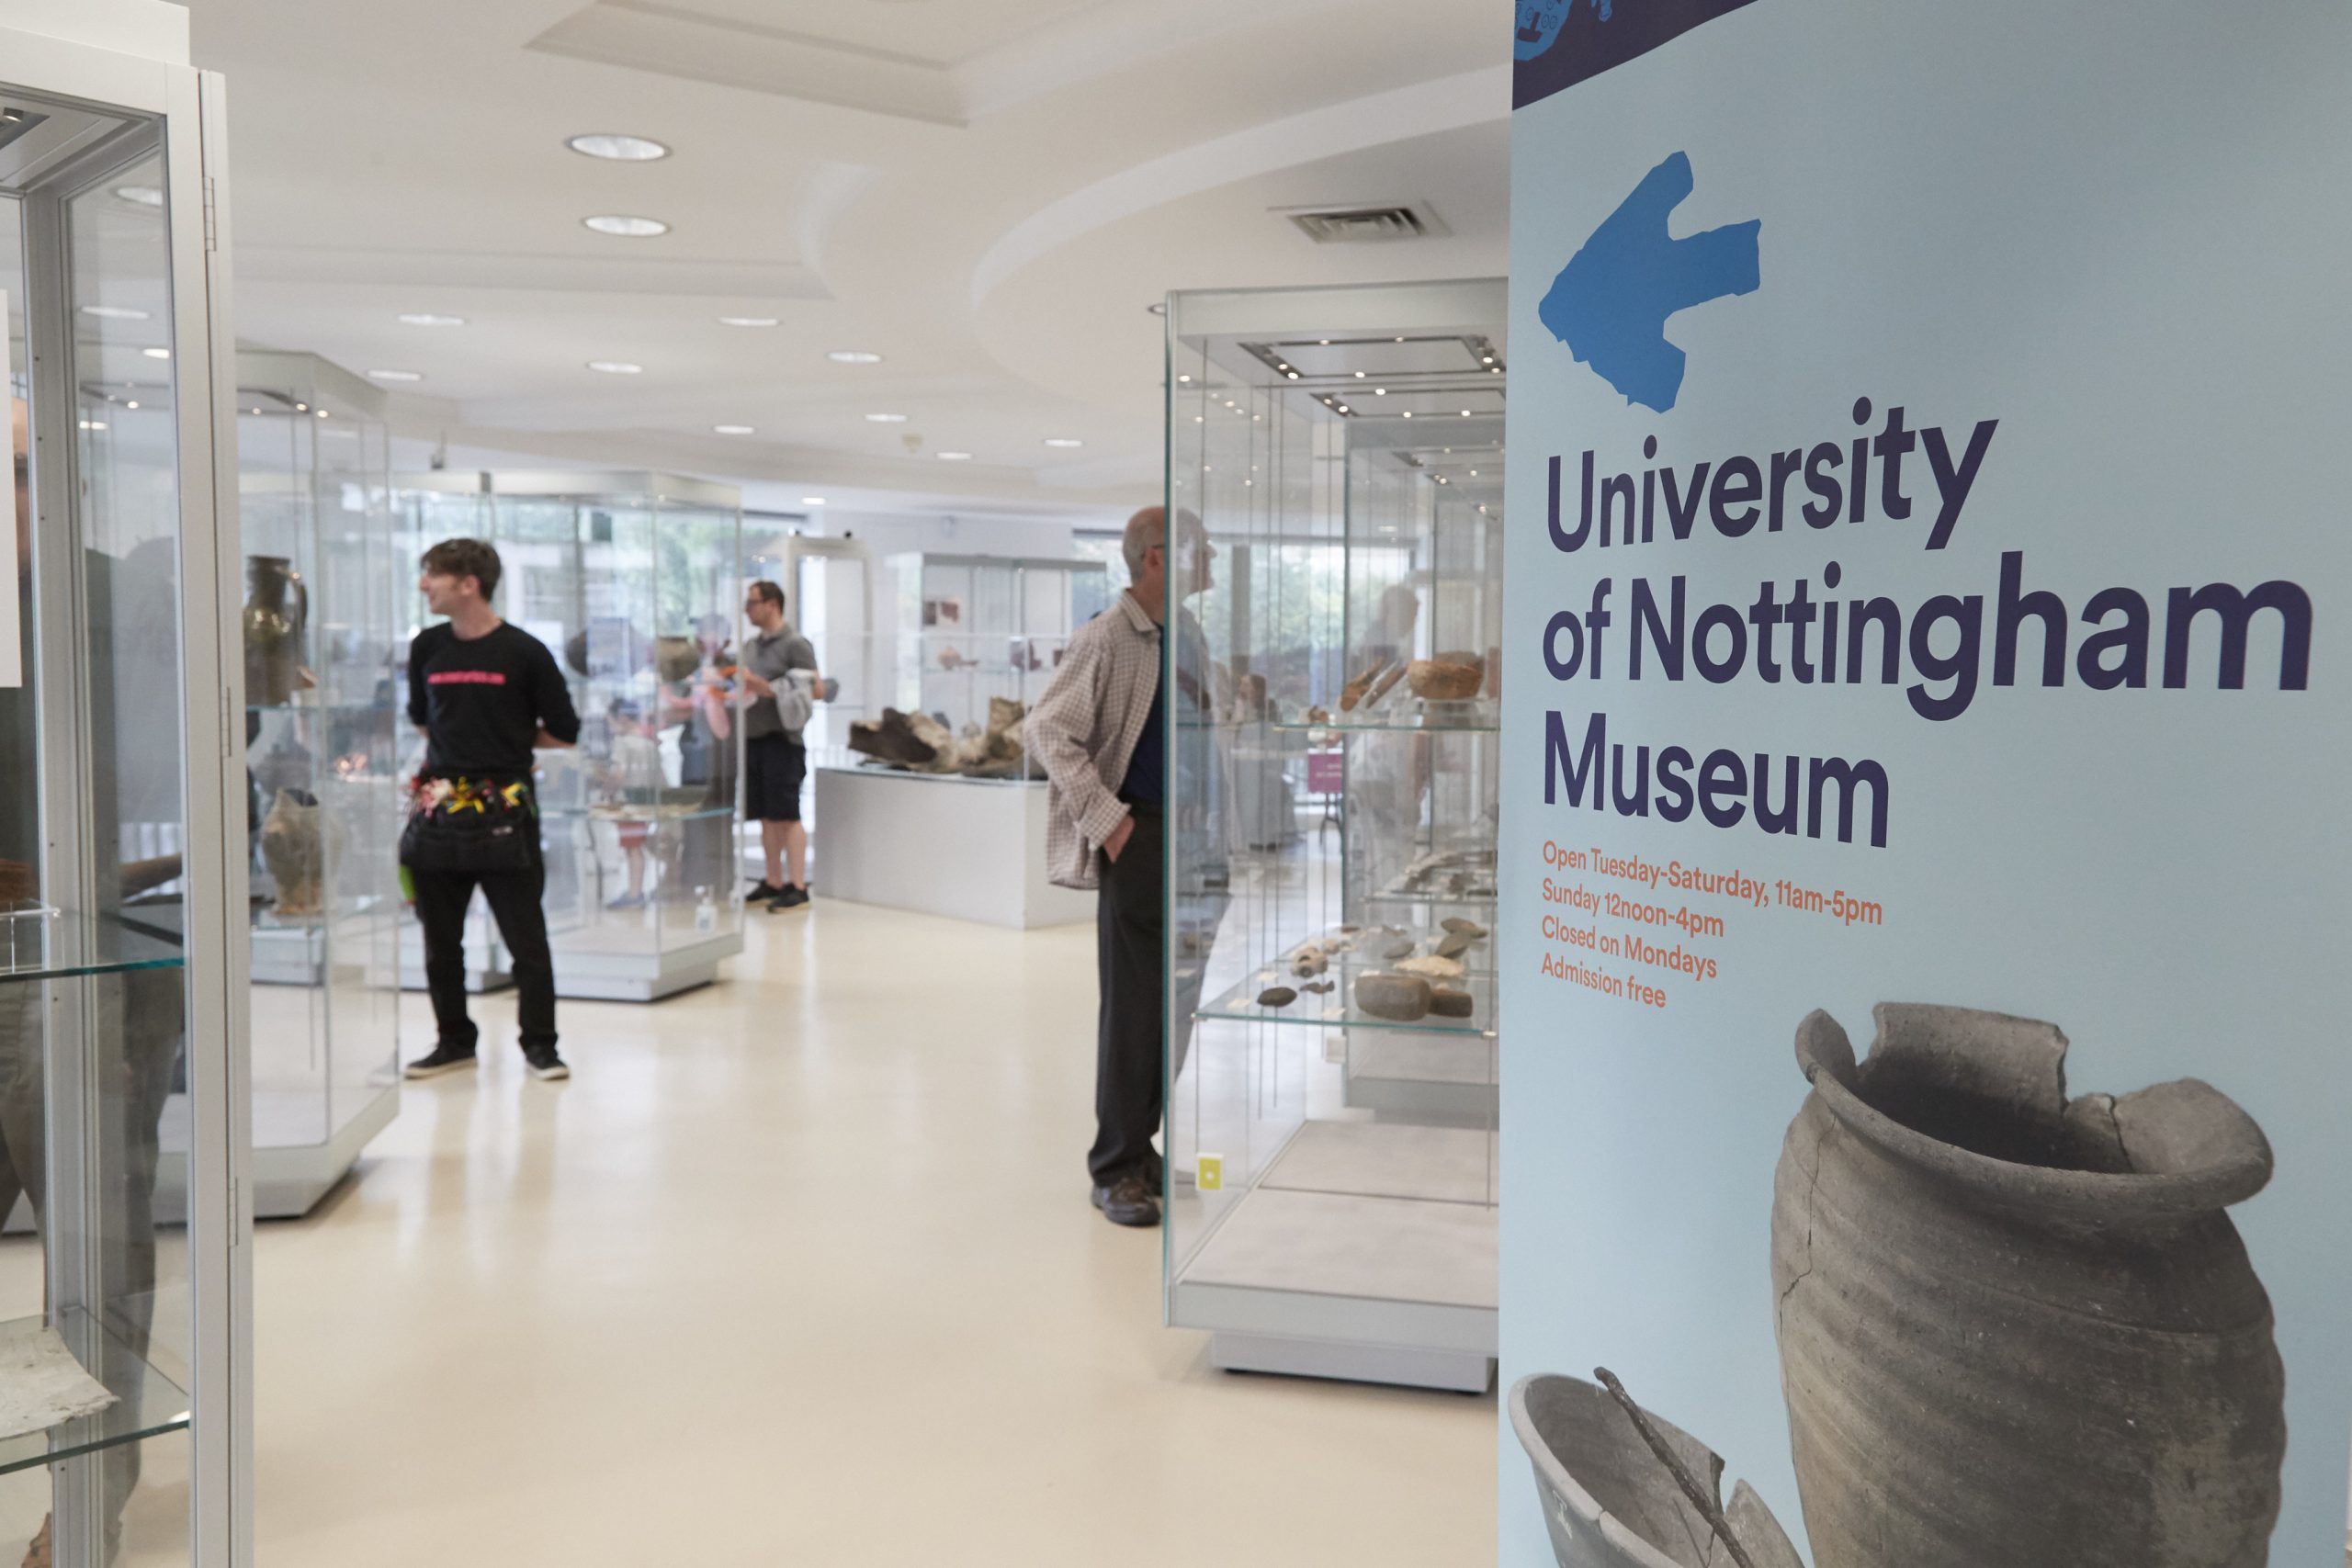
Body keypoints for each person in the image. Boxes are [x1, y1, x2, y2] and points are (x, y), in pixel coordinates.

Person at [1028, 505, 1219, 1228]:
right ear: (1157, 558)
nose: (1213, 562)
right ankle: (1115, 1165)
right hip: (1142, 841)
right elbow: (1047, 728)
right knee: (1136, 1009)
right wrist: (1111, 825)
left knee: (1175, 1006)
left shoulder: (1186, 633)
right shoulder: (1107, 637)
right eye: (1202, 550)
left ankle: (1143, 1151)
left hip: (1191, 846)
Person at [401, 538, 582, 1082]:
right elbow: (423, 719)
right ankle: (453, 1039)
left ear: (468, 584)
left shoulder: (524, 652)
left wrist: (505, 744)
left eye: (431, 574)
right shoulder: (427, 647)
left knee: (526, 939)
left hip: (506, 815)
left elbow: (564, 731)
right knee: (440, 941)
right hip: (439, 811)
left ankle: (541, 1046)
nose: (423, 584)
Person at [737, 580, 820, 909]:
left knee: (787, 814)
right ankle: (773, 880)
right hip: (753, 737)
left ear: (772, 604)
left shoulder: (796, 645)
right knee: (766, 816)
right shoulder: (750, 647)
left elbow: (814, 689)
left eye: (753, 602)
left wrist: (767, 688)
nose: (748, 609)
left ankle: (797, 885)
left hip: (783, 740)